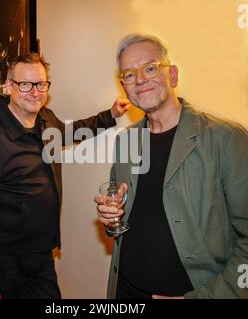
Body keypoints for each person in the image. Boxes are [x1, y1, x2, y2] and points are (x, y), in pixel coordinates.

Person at [0, 52, 130, 299]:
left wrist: (110, 115)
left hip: (41, 255)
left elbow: (72, 131)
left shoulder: (46, 119)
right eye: (26, 84)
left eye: (41, 84)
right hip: (6, 263)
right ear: (9, 86)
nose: (35, 92)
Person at [95, 33, 248, 299]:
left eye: (150, 68)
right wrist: (111, 218)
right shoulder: (125, 141)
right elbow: (123, 218)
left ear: (173, 76)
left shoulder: (226, 139)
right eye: (129, 75)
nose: (140, 79)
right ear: (125, 87)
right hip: (125, 291)